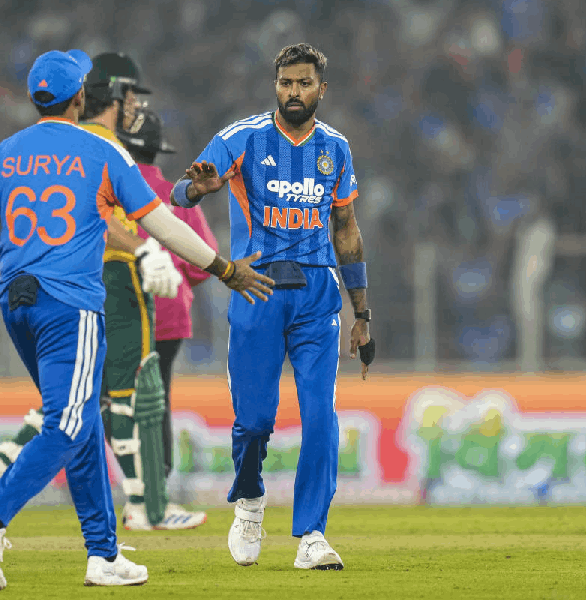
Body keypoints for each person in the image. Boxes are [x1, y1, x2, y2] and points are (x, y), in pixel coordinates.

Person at [0, 49, 273, 590]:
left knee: (83, 422)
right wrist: (221, 268)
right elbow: (161, 224)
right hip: (70, 304)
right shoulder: (101, 151)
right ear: (80, 97)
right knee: (71, 423)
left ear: (35, 99)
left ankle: (103, 554)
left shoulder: (3, 155)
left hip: (18, 304)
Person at [0, 53, 207, 532]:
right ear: (112, 95)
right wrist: (152, 252)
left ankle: (98, 532)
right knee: (118, 397)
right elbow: (113, 221)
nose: (136, 103)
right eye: (132, 94)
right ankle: (141, 505)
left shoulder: (46, 146)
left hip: (48, 284)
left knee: (82, 399)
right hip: (102, 284)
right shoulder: (102, 146)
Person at [169, 43, 376, 571]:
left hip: (316, 297)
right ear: (275, 86)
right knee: (256, 421)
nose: (293, 92)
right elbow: (180, 193)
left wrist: (362, 313)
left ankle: (311, 534)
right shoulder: (241, 137)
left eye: (304, 83)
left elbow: (346, 230)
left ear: (321, 89)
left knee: (321, 418)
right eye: (285, 83)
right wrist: (197, 189)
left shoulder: (336, 149)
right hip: (256, 291)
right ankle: (249, 499)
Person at [119, 106, 219, 487]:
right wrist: (174, 278)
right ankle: (156, 484)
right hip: (169, 315)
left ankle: (127, 480)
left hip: (120, 311)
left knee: (112, 398)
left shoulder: (110, 189)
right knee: (156, 399)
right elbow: (200, 262)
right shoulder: (175, 194)